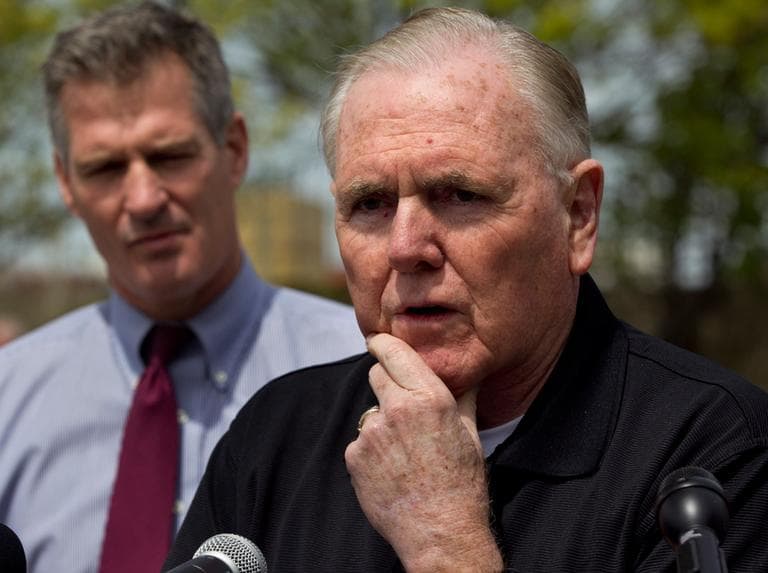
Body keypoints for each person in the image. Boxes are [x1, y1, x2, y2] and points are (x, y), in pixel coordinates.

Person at [165, 7, 768, 572]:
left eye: (459, 196)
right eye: (369, 204)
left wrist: (446, 543)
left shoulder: (714, 456)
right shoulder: (277, 438)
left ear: (579, 216)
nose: (405, 247)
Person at [0, 2, 364, 572]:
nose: (143, 199)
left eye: (170, 156)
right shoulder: (8, 401)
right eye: (105, 168)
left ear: (235, 150)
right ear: (65, 184)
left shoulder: (366, 371)